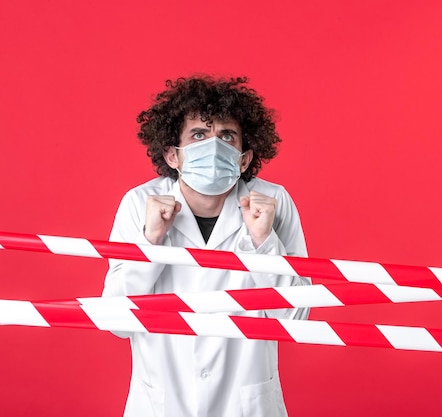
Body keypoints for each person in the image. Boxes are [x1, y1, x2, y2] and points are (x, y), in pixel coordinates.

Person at [102, 75, 310, 417]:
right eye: (199, 135)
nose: (214, 147)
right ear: (172, 154)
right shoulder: (138, 204)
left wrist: (264, 243)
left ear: (244, 159)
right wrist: (150, 243)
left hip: (247, 406)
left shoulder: (274, 202)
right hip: (163, 404)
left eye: (227, 136)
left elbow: (296, 318)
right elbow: (116, 322)